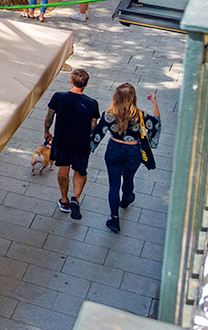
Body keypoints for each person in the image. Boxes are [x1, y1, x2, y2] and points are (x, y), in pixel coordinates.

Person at [99, 84, 162, 233]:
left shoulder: (109, 114)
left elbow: (96, 135)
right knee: (128, 178)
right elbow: (156, 123)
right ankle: (127, 197)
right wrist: (153, 101)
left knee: (113, 185)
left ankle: (114, 219)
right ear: (133, 98)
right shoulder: (140, 115)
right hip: (133, 151)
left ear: (116, 97)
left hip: (114, 149)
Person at [44, 68, 100, 220]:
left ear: (71, 81)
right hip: (81, 143)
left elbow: (49, 116)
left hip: (62, 140)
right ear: (86, 84)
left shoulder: (59, 97)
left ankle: (64, 200)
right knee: (80, 170)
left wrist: (46, 131)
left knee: (63, 168)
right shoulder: (92, 103)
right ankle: (75, 197)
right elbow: (93, 126)